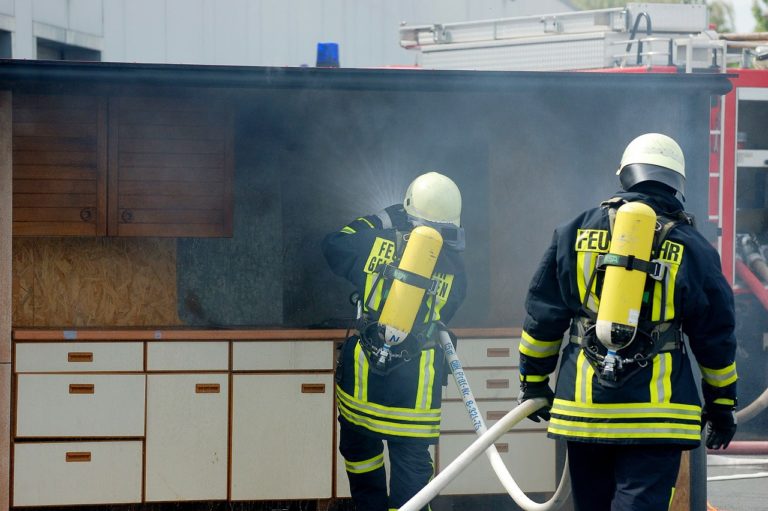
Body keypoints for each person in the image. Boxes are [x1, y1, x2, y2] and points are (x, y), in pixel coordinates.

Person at [517, 133, 738, 511]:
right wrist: (721, 403)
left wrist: (533, 381)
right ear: (676, 184)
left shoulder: (573, 232)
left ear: (626, 175)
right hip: (656, 415)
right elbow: (714, 335)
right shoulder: (692, 246)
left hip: (584, 411)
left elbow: (543, 317)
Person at [322, 171, 467, 511]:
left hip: (363, 387)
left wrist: (383, 218)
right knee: (412, 473)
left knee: (361, 458)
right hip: (414, 392)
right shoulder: (455, 267)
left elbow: (333, 243)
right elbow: (453, 304)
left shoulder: (371, 242)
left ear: (408, 209)